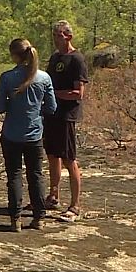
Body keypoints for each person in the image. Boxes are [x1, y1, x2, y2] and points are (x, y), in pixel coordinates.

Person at [0, 38, 57, 232]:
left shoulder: (7, 77)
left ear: (14, 55)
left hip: (12, 134)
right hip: (34, 135)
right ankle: (38, 218)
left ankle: (15, 219)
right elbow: (52, 107)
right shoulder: (44, 78)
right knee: (36, 175)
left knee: (14, 175)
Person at [43, 20, 89, 223]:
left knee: (69, 159)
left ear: (68, 36)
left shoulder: (77, 59)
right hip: (51, 114)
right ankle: (53, 196)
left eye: (59, 35)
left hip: (66, 115)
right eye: (54, 35)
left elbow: (78, 93)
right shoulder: (54, 58)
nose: (55, 38)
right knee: (53, 155)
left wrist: (55, 94)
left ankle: (75, 205)